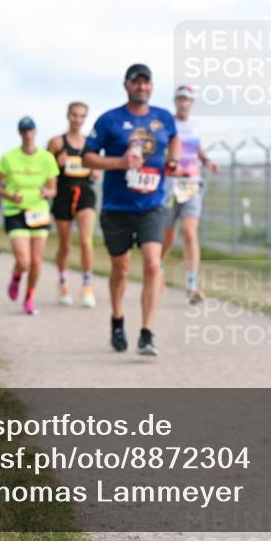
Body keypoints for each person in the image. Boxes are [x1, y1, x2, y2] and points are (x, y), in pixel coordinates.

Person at [83, 64, 179, 357]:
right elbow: (87, 157)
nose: (141, 86)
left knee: (152, 264)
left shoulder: (164, 119)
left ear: (151, 86)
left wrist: (172, 161)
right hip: (116, 206)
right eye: (135, 82)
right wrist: (119, 163)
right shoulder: (109, 120)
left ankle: (147, 333)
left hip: (151, 205)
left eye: (145, 82)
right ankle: (116, 319)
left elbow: (173, 141)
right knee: (120, 268)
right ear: (126, 86)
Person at [0, 117, 59, 315]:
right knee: (24, 261)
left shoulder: (47, 158)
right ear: (19, 133)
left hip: (38, 211)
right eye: (24, 131)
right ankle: (16, 275)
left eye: (31, 130)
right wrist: (8, 194)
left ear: (35, 132)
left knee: (37, 261)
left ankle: (29, 297)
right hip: (16, 211)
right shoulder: (8, 157)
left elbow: (53, 189)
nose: (28, 134)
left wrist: (47, 193)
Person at [161, 85, 218, 304]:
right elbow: (163, 151)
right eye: (181, 99)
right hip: (170, 184)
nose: (184, 103)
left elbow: (197, 148)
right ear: (176, 101)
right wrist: (172, 164)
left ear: (192, 102)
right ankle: (158, 269)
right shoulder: (168, 123)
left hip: (192, 183)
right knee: (168, 237)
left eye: (188, 99)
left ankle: (192, 284)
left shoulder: (195, 125)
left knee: (189, 232)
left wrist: (207, 161)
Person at [47, 102, 98, 308]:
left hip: (85, 193)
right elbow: (45, 170)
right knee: (65, 245)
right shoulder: (57, 142)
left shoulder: (90, 144)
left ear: (85, 119)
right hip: (63, 194)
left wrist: (95, 171)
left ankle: (87, 286)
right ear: (68, 116)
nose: (77, 120)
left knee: (86, 241)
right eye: (74, 115)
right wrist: (56, 164)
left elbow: (97, 167)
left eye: (81, 116)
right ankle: (63, 283)